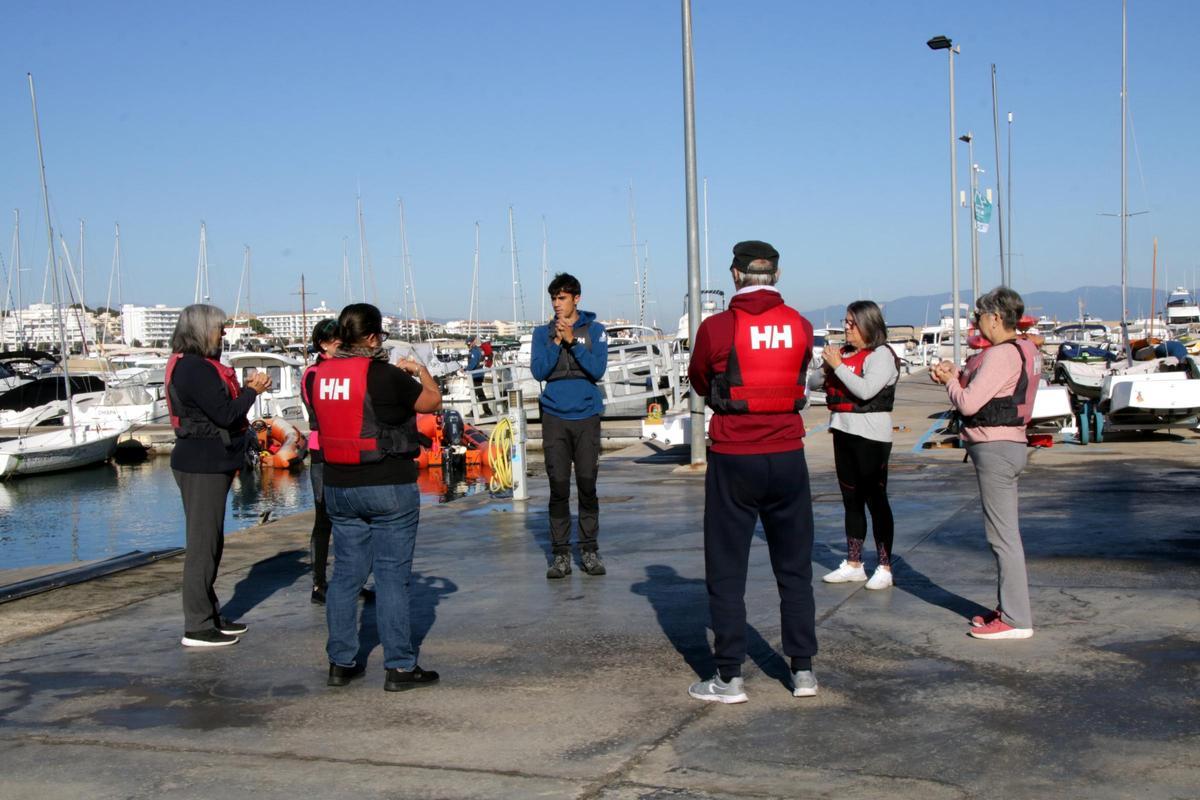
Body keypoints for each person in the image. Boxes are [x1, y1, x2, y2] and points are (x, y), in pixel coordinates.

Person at [686, 240, 818, 703]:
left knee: (727, 568)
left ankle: (729, 677)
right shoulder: (800, 326)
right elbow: (802, 373)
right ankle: (802, 671)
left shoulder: (718, 328)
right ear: (777, 276)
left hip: (734, 454)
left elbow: (700, 380)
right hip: (787, 454)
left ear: (735, 275)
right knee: (794, 566)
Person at [307, 303, 444, 690]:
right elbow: (431, 403)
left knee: (346, 575)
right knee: (391, 577)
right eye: (380, 336)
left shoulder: (318, 376)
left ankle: (341, 662)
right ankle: (399, 667)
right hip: (387, 485)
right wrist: (420, 371)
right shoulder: (383, 375)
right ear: (370, 338)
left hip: (338, 486)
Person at [931, 286, 1040, 640]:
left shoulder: (999, 355)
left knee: (1003, 537)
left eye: (979, 316)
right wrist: (959, 377)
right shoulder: (1026, 349)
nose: (976, 322)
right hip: (1011, 444)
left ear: (995, 318)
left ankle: (1015, 618)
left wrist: (950, 382)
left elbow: (968, 404)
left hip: (995, 448)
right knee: (1005, 534)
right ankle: (1009, 607)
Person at [166, 304, 271, 648]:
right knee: (202, 545)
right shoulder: (194, 369)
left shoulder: (195, 366)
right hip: (201, 464)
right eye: (219, 328)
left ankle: (209, 615)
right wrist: (254, 391)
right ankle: (197, 625)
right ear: (201, 330)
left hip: (209, 462)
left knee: (212, 542)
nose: (223, 334)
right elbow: (226, 414)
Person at [530, 272, 609, 579]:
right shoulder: (541, 333)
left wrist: (573, 342)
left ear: (576, 298)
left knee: (588, 485)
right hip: (554, 417)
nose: (557, 303)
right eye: (553, 298)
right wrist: (555, 342)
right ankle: (560, 555)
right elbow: (539, 370)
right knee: (558, 487)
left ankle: (589, 549)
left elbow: (597, 369)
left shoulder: (596, 330)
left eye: (562, 297)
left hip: (587, 416)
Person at [820, 301, 900, 590]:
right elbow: (819, 380)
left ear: (869, 324)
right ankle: (854, 563)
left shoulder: (881, 356)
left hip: (872, 436)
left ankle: (885, 565)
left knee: (875, 500)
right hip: (843, 430)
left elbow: (865, 391)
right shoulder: (842, 354)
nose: (846, 327)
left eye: (852, 323)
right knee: (850, 501)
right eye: (845, 321)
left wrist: (838, 366)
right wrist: (825, 365)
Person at [301, 319, 340, 605]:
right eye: (338, 342)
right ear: (323, 344)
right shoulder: (313, 374)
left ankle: (348, 580)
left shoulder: (346, 369)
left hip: (347, 451)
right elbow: (318, 412)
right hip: (322, 452)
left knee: (350, 520)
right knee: (323, 518)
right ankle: (319, 583)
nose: (343, 346)